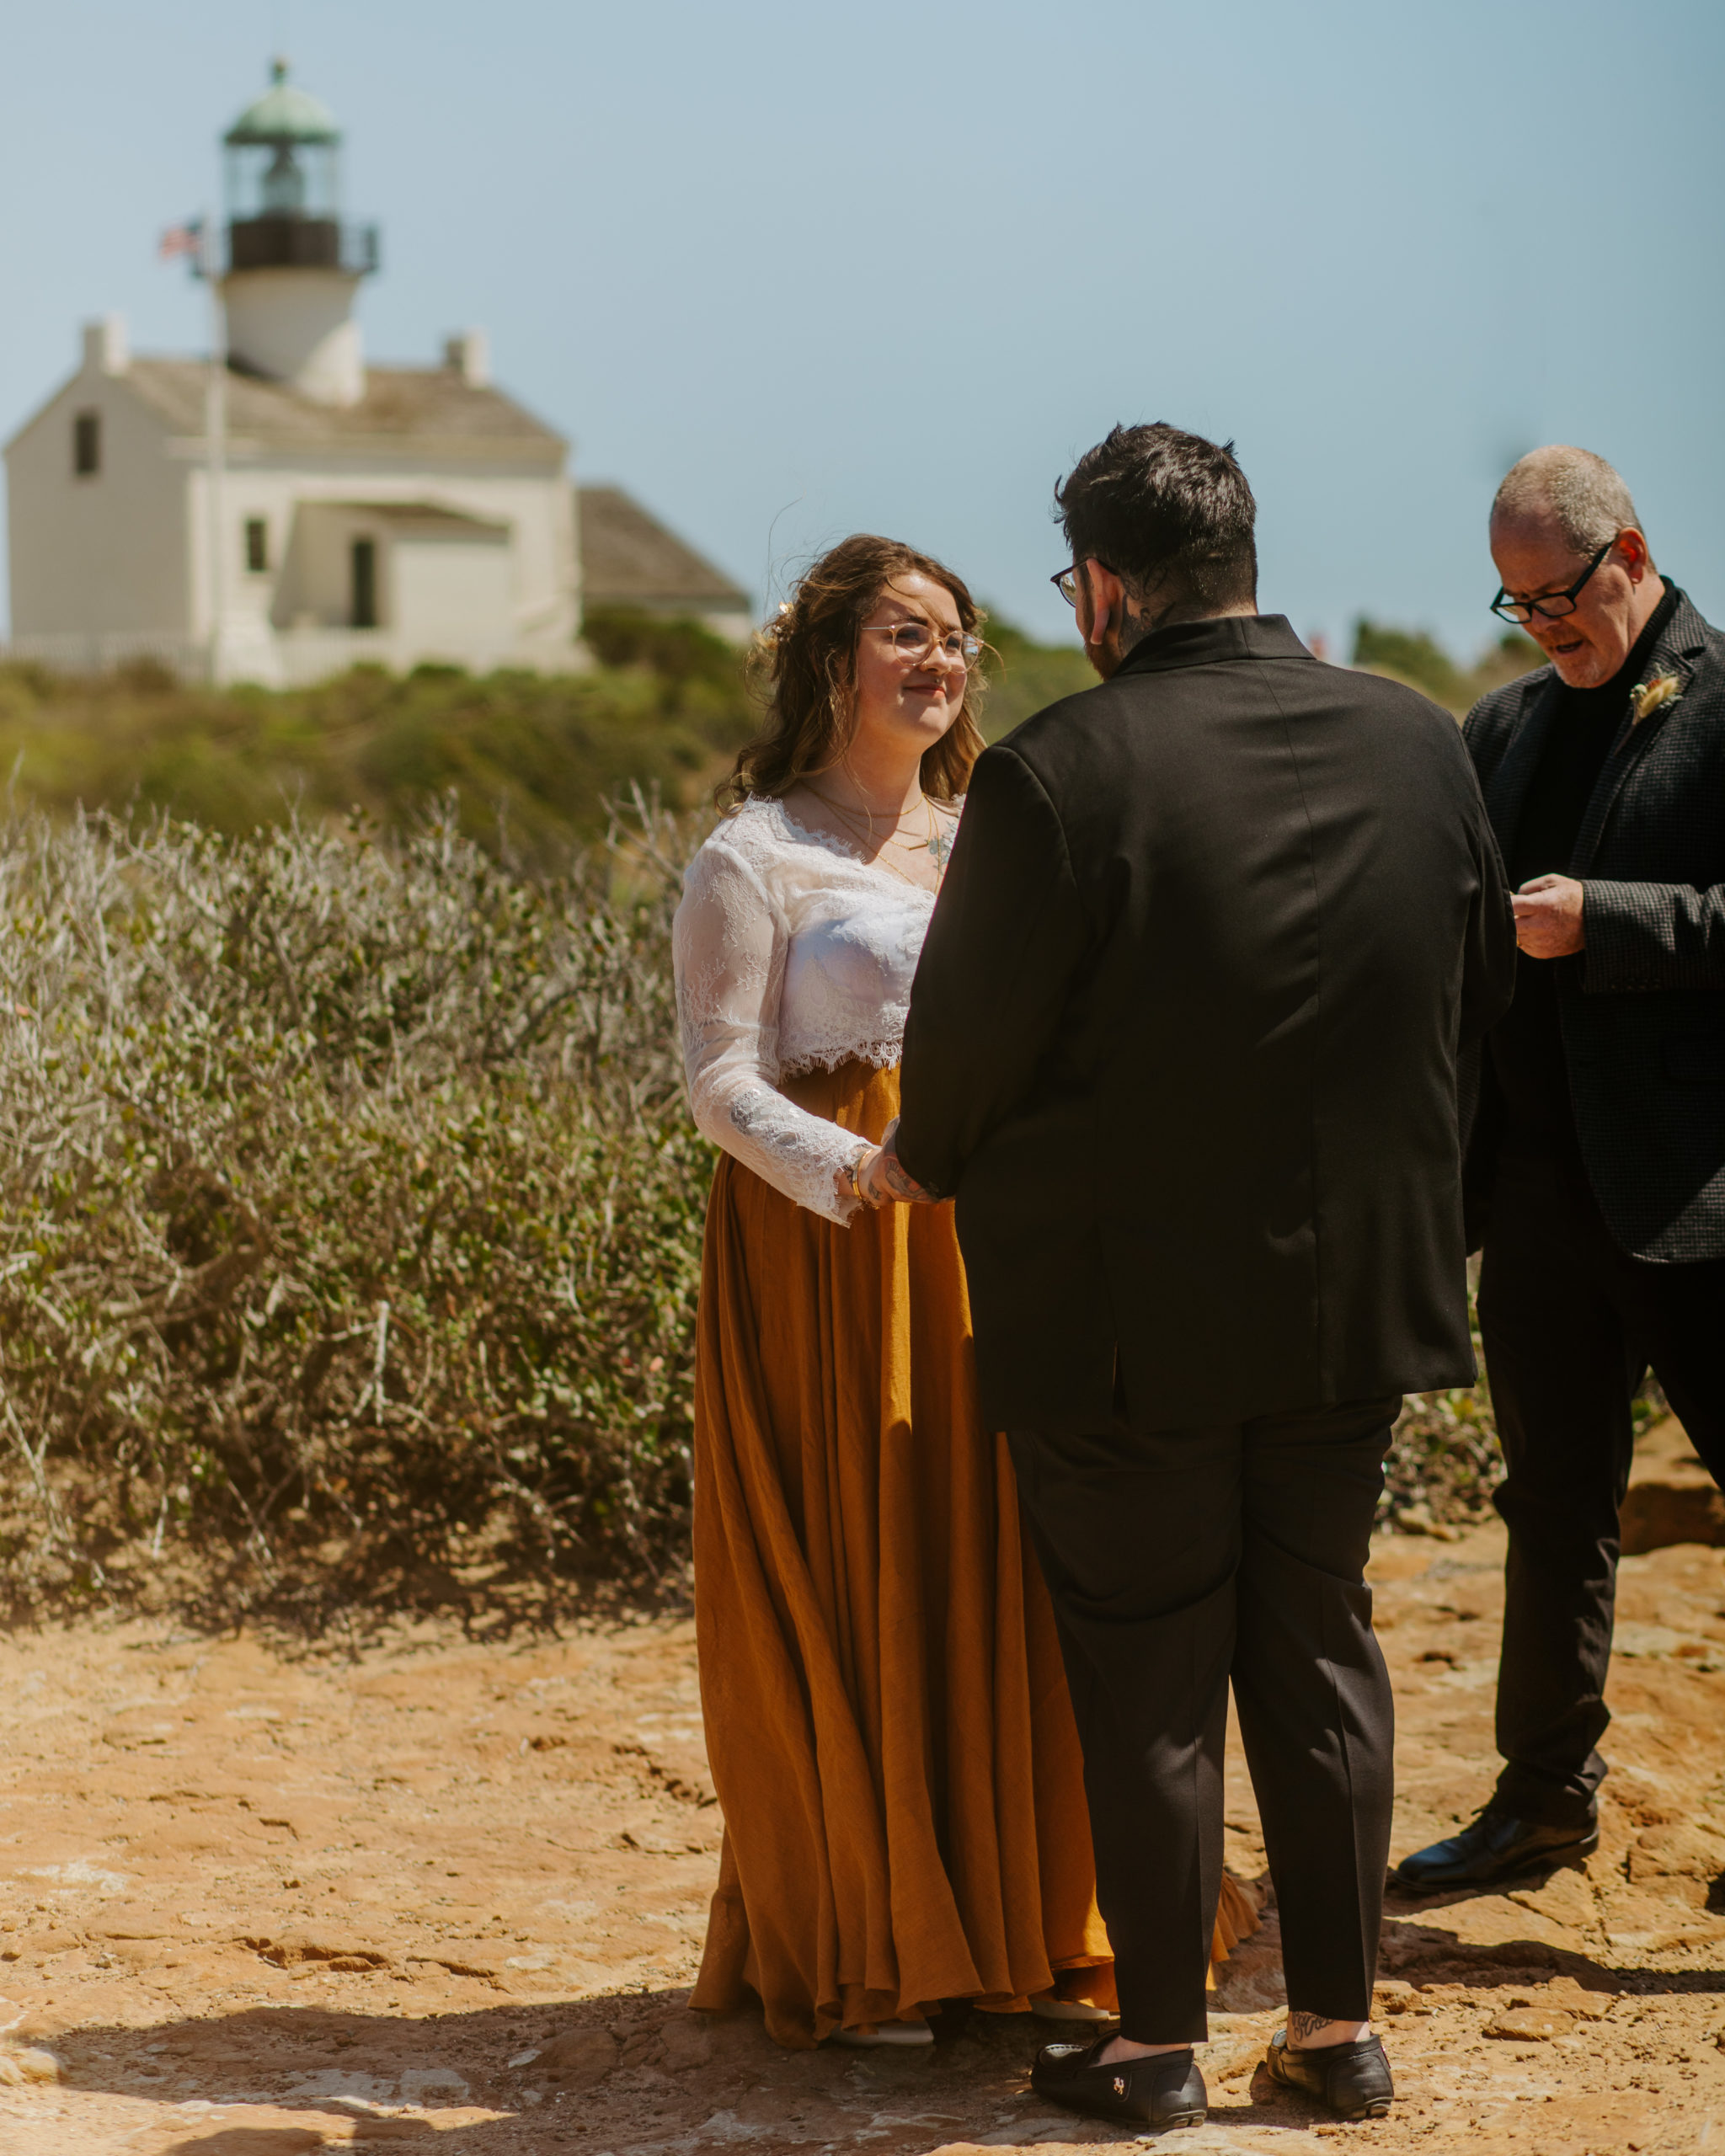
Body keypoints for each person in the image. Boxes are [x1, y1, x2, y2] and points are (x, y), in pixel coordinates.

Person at [884, 425, 1516, 2127]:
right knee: (1320, 1646)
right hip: (1356, 1302)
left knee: (1148, 1673)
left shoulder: (1055, 772)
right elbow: (1479, 1007)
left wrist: (933, 1156)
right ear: (1241, 559)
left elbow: (958, 1063)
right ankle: (1336, 2030)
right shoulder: (1419, 738)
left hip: (1120, 1325)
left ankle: (1154, 2044)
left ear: (1104, 586)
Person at [673, 533, 1263, 2052]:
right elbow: (717, 1079)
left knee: (1020, 1560)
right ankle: (889, 1934)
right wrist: (856, 1171)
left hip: (1010, 1234)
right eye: (905, 634)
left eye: (955, 637)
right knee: (876, 1569)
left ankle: (1035, 1919)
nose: (940, 661)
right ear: (831, 662)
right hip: (835, 1255)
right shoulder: (753, 854)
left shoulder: (998, 826)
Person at [1391, 449, 1725, 1895]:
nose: (1542, 626)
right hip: (1531, 1191)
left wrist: (1610, 920)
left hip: (1699, 1194)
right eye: (1516, 604)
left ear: (1631, 554)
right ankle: (1541, 1801)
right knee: (1551, 1506)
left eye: (1561, 595)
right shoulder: (1505, 723)